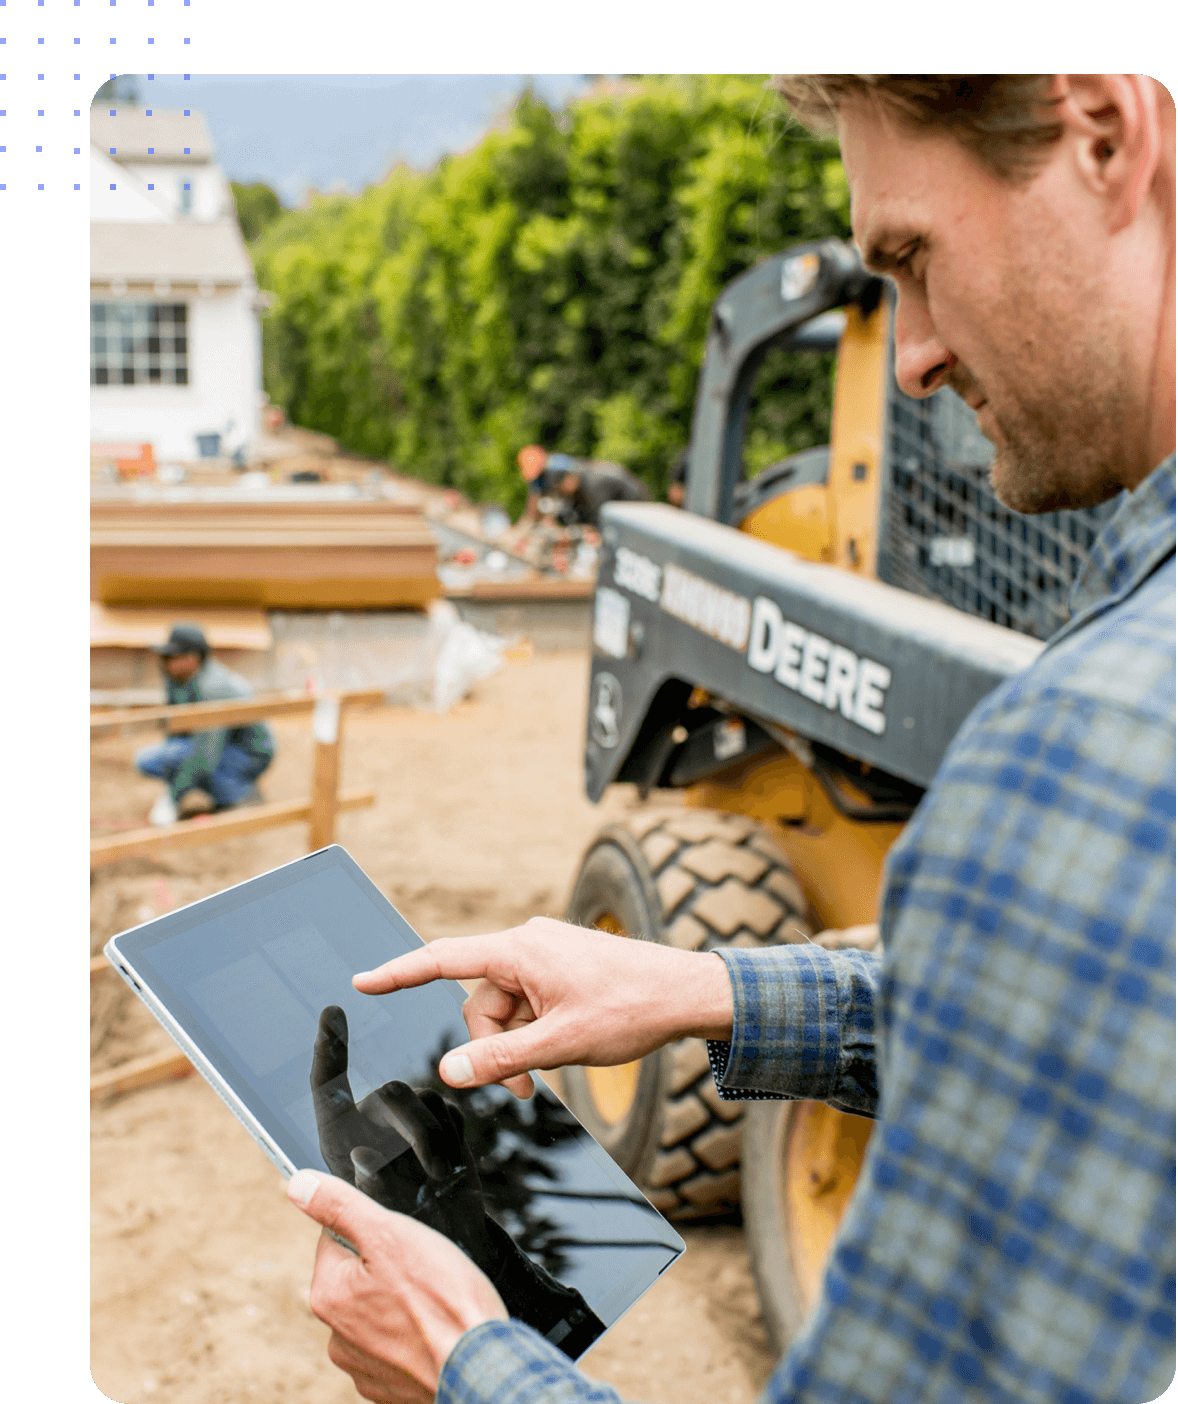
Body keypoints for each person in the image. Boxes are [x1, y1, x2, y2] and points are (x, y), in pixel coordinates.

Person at [285, 75, 1175, 1404]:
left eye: (913, 258)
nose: (915, 351)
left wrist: (460, 1359)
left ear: (1105, 133)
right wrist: (702, 993)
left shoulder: (1077, 758)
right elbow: (1089, 1014)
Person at [136, 622, 276, 826]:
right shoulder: (181, 680)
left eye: (172, 657)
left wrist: (172, 799)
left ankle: (240, 793)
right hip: (222, 744)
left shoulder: (213, 688)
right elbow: (176, 730)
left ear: (191, 659)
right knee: (153, 760)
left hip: (248, 753)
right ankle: (231, 788)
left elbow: (204, 757)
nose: (165, 662)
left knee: (197, 762)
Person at [516, 445, 650, 529]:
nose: (559, 493)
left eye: (558, 488)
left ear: (568, 479)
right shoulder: (574, 483)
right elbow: (534, 507)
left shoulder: (594, 485)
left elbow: (600, 525)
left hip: (638, 512)